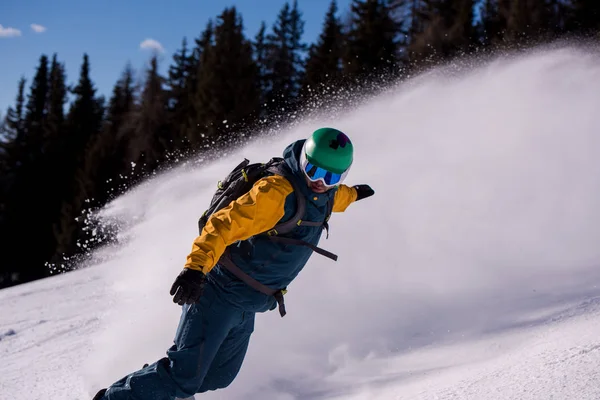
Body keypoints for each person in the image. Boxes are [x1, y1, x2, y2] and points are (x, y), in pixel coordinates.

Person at [93, 128, 374, 400]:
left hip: (249, 302)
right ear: (303, 162)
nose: (320, 182)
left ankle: (155, 386)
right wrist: (195, 269)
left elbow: (334, 198)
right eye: (314, 171)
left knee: (219, 377)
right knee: (184, 377)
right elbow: (222, 225)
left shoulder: (325, 194)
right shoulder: (275, 193)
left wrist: (354, 194)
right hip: (219, 291)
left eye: (331, 176)